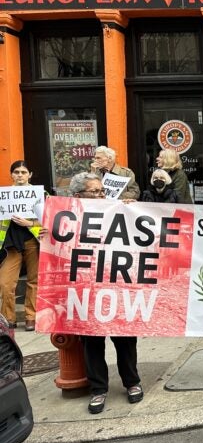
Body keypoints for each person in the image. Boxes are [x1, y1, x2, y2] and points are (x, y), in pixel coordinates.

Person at [69, 172, 143, 414]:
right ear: (79, 196)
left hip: (116, 285)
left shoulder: (117, 210)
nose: (102, 195)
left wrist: (134, 210)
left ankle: (132, 382)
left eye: (102, 191)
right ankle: (98, 389)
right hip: (87, 290)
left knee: (124, 338)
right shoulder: (67, 219)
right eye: (96, 191)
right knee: (92, 343)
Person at [0, 161, 44, 331]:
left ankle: (31, 317)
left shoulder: (40, 194)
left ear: (29, 175)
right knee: (6, 284)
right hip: (10, 244)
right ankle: (8, 319)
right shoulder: (3, 195)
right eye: (16, 172)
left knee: (34, 280)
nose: (20, 175)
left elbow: (47, 220)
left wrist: (29, 223)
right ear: (11, 174)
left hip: (32, 242)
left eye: (23, 172)